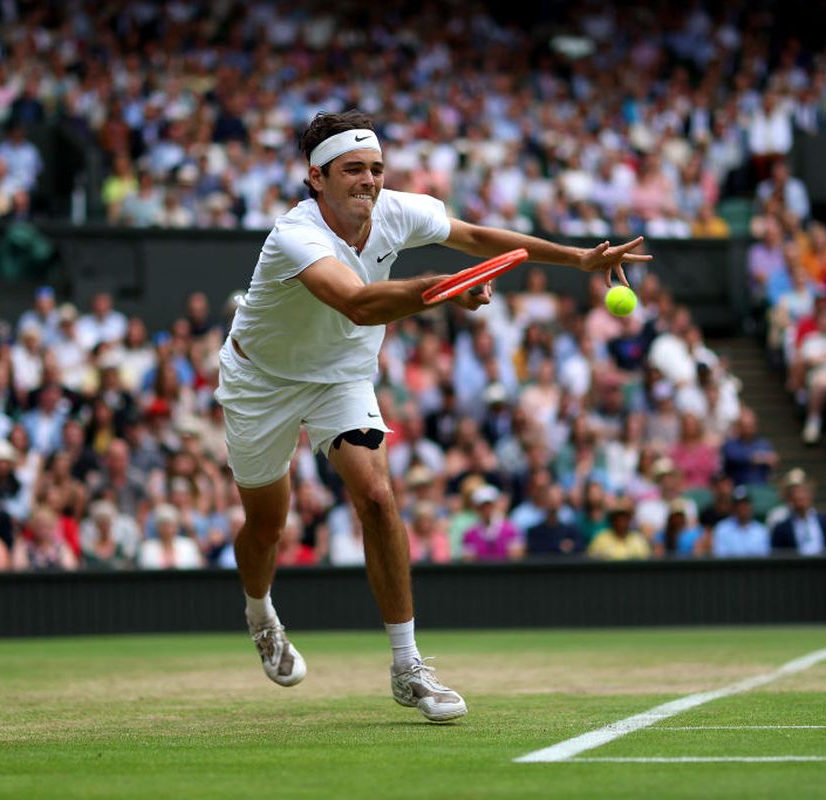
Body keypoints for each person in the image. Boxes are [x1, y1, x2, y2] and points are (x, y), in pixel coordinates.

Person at [214, 110, 649, 722]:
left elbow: (477, 238)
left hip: (340, 377)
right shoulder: (296, 235)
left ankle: (407, 666)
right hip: (260, 381)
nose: (368, 180)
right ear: (317, 177)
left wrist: (577, 259)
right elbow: (360, 305)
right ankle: (260, 612)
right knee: (266, 527)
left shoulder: (399, 209)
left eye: (376, 169)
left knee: (377, 498)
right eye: (352, 170)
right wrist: (443, 287)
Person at [770, 470, 826, 555]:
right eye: (795, 492)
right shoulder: (780, 524)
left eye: (803, 491)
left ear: (810, 495)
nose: (799, 495)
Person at [712, 486, 770, 557]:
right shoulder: (722, 529)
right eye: (738, 505)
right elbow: (721, 557)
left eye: (745, 504)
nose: (742, 508)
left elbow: (764, 559)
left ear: (750, 506)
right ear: (733, 507)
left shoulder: (761, 531)